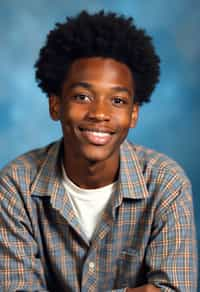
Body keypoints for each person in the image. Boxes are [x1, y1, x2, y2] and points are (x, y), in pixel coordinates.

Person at [0, 10, 197, 292]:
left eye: (117, 100)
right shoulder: (15, 186)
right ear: (55, 105)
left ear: (133, 114)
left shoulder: (166, 184)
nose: (100, 113)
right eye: (83, 97)